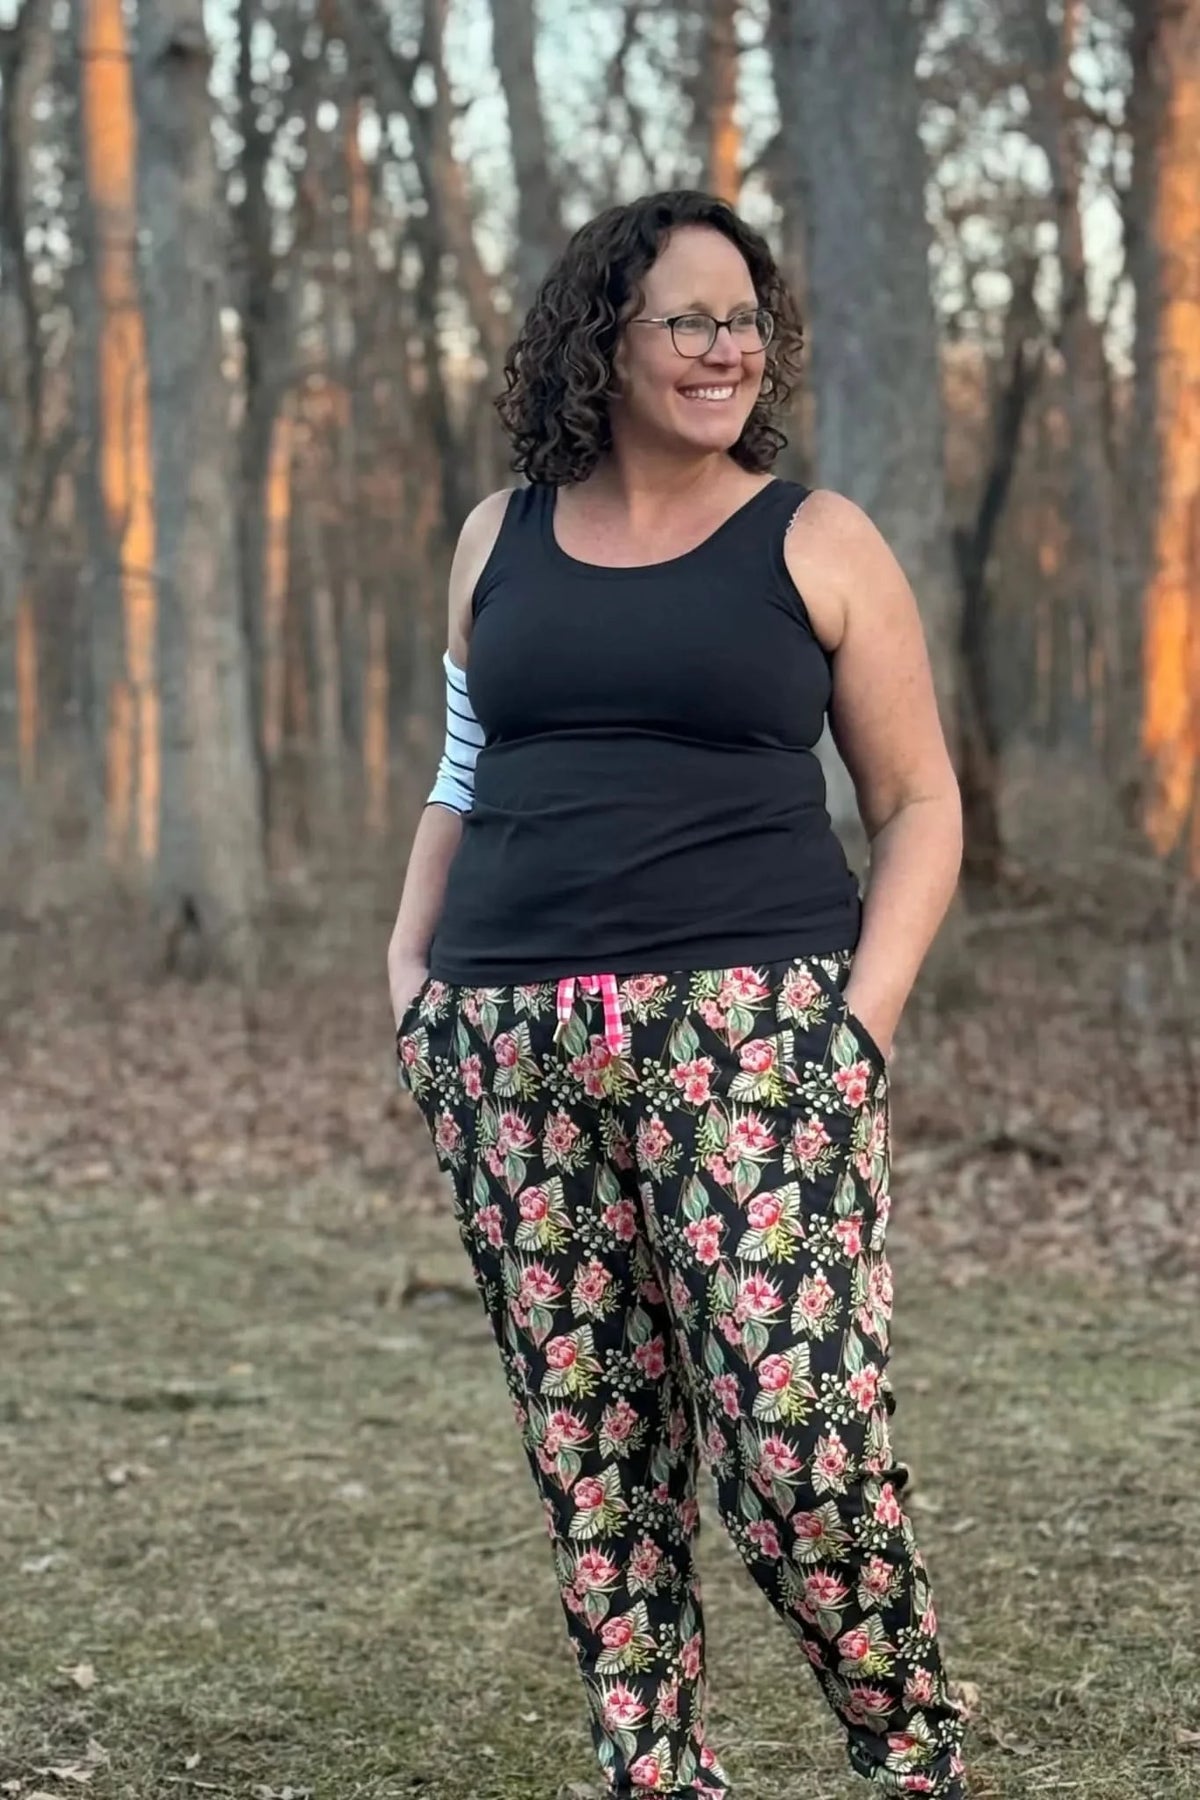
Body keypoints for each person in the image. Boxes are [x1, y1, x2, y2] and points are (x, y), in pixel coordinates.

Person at [387, 188, 968, 1800]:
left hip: (756, 1038)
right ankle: (653, 1765)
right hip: (506, 1040)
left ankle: (911, 1751)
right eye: (689, 319)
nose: (726, 350)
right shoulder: (497, 535)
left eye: (744, 322)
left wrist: (861, 1025)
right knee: (595, 1448)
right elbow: (461, 762)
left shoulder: (816, 538)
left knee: (800, 1453)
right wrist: (410, 973)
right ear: (604, 337)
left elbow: (922, 803)